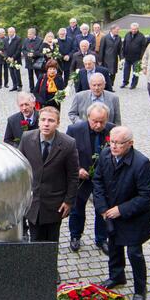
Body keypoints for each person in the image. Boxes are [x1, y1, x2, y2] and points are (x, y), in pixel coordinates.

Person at [92, 126, 150, 300]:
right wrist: (103, 208)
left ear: (130, 144)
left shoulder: (142, 163)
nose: (113, 146)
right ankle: (116, 276)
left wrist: (121, 209)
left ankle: (140, 289)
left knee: (134, 253)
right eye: (111, 142)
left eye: (118, 143)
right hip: (111, 213)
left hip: (134, 217)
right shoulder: (105, 155)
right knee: (114, 246)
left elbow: (146, 196)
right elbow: (97, 181)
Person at [19, 106, 79, 281]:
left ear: (58, 123)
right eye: (43, 120)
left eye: (51, 121)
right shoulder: (27, 138)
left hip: (55, 203)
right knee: (35, 238)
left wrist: (68, 201)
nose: (46, 124)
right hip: (33, 201)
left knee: (52, 239)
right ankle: (37, 270)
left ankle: (52, 269)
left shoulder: (68, 144)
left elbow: (73, 175)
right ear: (38, 121)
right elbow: (20, 168)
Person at [66, 103, 115, 254]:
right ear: (88, 118)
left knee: (103, 209)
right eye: (95, 121)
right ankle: (75, 236)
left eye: (102, 121)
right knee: (77, 208)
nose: (99, 125)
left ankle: (101, 239)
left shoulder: (112, 129)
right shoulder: (74, 130)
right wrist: (77, 168)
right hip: (81, 177)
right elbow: (67, 153)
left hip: (103, 179)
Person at [121, 23, 146, 89]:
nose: (133, 30)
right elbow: (124, 45)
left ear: (138, 29)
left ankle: (133, 84)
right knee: (126, 71)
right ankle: (125, 82)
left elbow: (143, 48)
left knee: (136, 72)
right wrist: (123, 55)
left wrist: (142, 58)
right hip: (127, 57)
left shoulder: (141, 36)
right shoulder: (127, 35)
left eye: (135, 29)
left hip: (137, 58)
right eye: (132, 29)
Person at [5, 27, 23, 91]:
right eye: (8, 32)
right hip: (9, 59)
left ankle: (19, 85)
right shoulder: (6, 39)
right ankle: (14, 85)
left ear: (14, 32)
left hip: (16, 59)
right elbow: (5, 49)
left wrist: (13, 57)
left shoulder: (18, 39)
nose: (9, 33)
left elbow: (19, 50)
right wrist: (7, 57)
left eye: (11, 32)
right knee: (12, 73)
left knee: (17, 73)